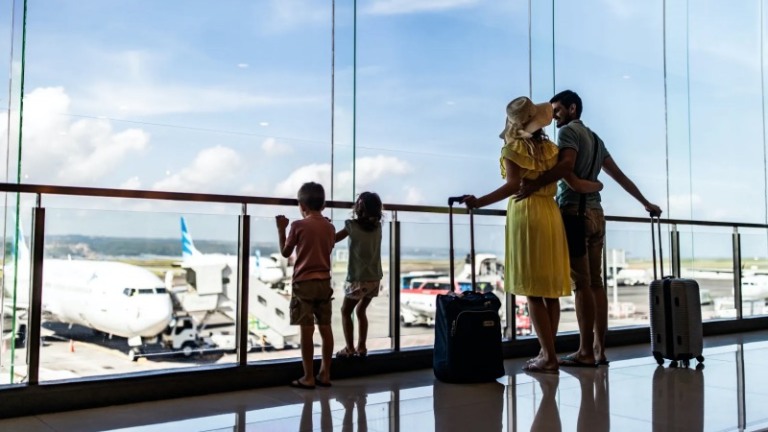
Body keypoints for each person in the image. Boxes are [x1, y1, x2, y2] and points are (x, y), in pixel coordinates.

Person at [515, 89, 662, 367]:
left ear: (572, 109)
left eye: (557, 109)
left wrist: (536, 183)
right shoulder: (595, 138)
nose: (554, 116)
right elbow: (617, 174)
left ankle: (584, 351)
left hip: (574, 213)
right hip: (597, 213)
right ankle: (599, 349)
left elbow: (567, 166)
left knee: (581, 285)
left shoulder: (568, 132)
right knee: (596, 284)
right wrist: (644, 201)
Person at [462, 96, 603, 374]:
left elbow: (512, 186)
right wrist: (597, 184)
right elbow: (571, 180)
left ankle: (548, 357)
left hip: (526, 215)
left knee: (533, 291)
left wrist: (479, 201)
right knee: (549, 291)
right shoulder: (551, 149)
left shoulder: (513, 149)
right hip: (550, 214)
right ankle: (547, 351)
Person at [276, 182, 336, 389]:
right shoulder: (329, 227)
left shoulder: (298, 226)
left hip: (304, 283)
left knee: (307, 331)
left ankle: (308, 376)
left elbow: (285, 252)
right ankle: (325, 373)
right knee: (326, 328)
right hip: (324, 282)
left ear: (302, 205)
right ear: (324, 204)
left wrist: (281, 229)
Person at [334, 192, 384, 359]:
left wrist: (327, 227)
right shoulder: (378, 227)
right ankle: (361, 346)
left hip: (358, 279)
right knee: (361, 310)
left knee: (345, 311)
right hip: (375, 278)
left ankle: (349, 348)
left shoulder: (351, 226)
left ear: (359, 208)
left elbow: (333, 239)